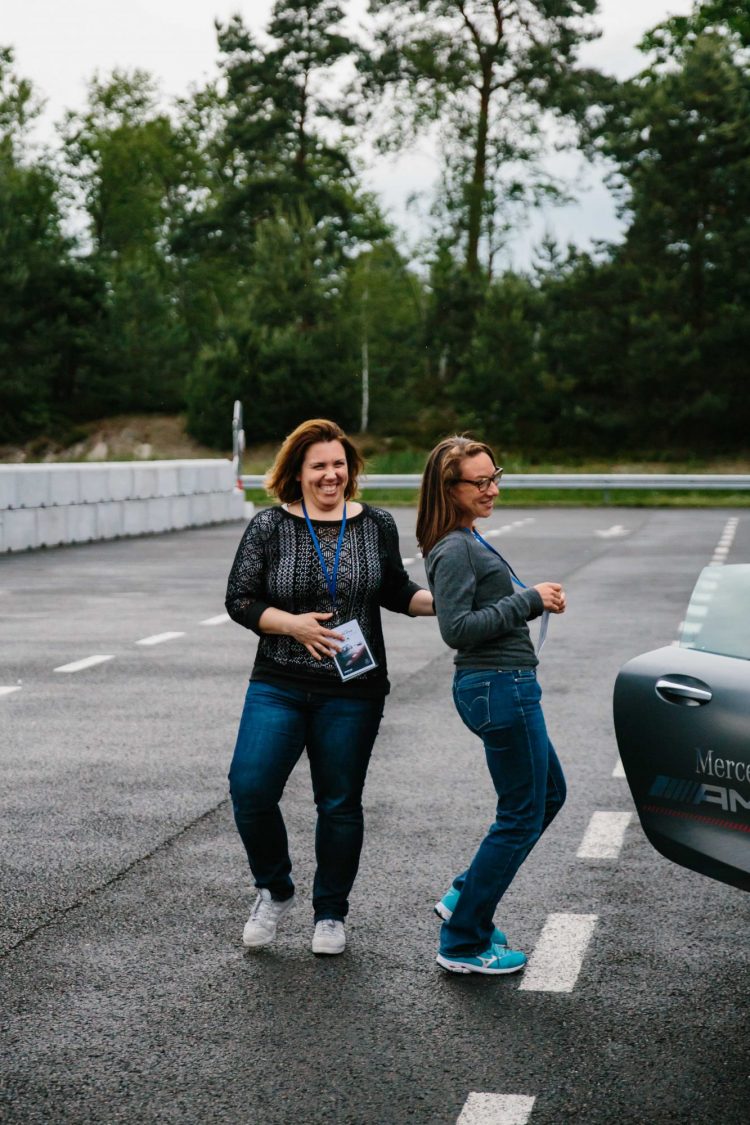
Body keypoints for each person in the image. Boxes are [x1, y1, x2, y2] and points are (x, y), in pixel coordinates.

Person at [226, 418, 434, 956]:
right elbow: (239, 599)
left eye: (338, 464)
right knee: (250, 789)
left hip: (353, 687)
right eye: (318, 465)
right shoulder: (269, 526)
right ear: (297, 472)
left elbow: (396, 590)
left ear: (350, 468)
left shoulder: (376, 523)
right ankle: (275, 890)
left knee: (339, 803)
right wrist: (292, 625)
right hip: (279, 680)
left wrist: (449, 603)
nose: (330, 475)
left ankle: (330, 914)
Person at [416, 436, 567, 976]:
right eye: (479, 482)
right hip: (498, 684)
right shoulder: (455, 547)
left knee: (549, 794)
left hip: (503, 683)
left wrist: (531, 599)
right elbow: (456, 629)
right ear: (448, 488)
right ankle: (463, 941)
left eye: (494, 477)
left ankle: (464, 895)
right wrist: (528, 600)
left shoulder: (465, 538)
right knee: (521, 814)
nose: (492, 489)